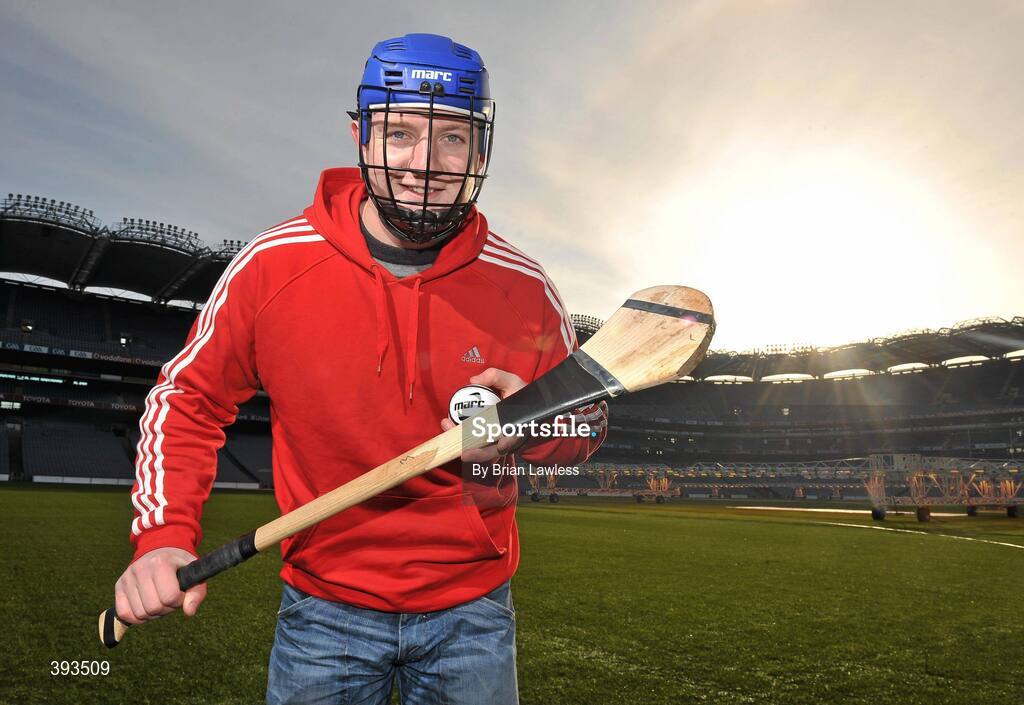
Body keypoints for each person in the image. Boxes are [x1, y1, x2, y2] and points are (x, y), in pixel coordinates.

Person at [114, 33, 607, 705]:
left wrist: (531, 424)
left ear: (482, 150)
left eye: (453, 138)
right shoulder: (272, 266)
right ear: (360, 136)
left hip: (473, 611)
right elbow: (186, 399)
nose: (424, 163)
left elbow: (587, 423)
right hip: (324, 611)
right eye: (400, 132)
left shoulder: (524, 287)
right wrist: (163, 537)